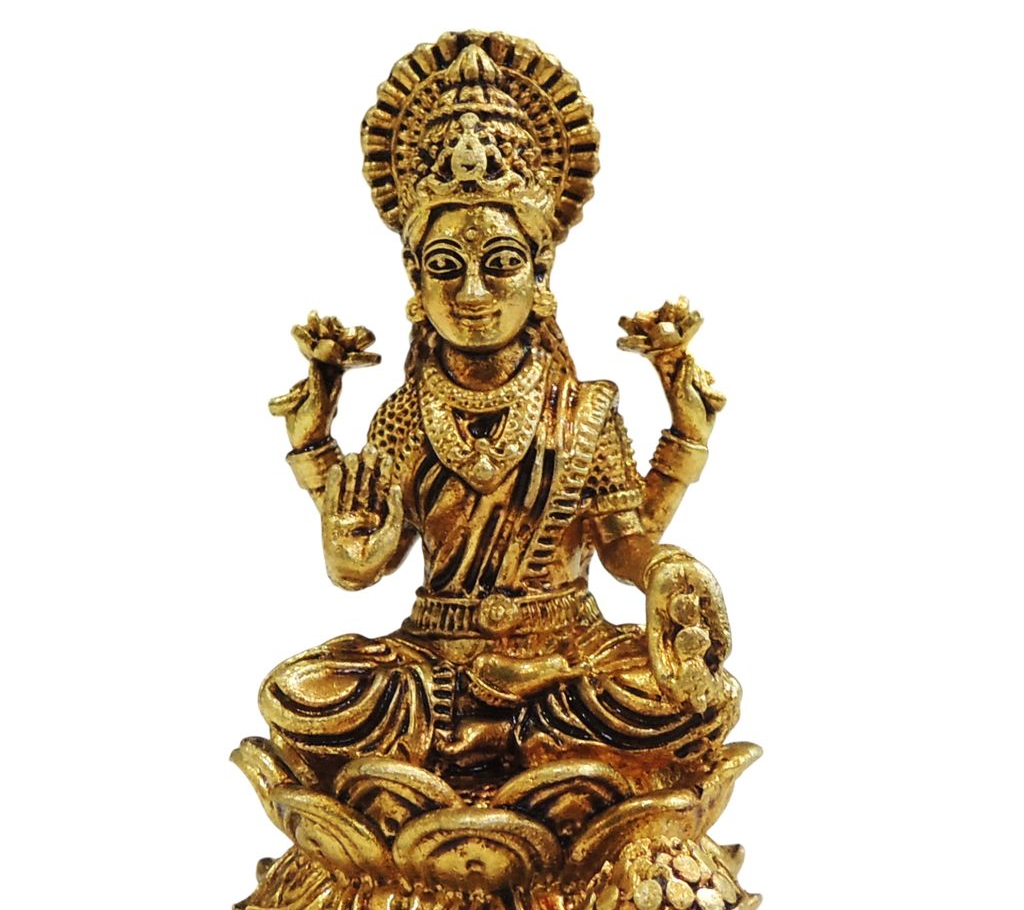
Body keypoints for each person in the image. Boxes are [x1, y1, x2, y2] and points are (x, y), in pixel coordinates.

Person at [258, 44, 739, 793]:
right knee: (299, 693)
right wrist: (322, 470)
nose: (474, 294)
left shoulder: (584, 410)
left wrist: (664, 568)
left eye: (502, 263)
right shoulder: (402, 417)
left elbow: (621, 544)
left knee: (658, 696)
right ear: (415, 278)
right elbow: (360, 566)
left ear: (541, 271)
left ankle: (490, 769)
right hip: (432, 665)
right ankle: (539, 772)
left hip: (564, 656)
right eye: (446, 268)